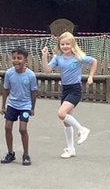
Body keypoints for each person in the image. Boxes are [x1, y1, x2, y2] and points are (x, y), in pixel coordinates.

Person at [40, 31, 97, 159]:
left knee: (61, 114)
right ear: (59, 45)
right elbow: (47, 71)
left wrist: (90, 77)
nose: (65, 46)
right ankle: (71, 149)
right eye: (62, 44)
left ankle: (82, 129)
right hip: (65, 89)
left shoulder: (78, 57)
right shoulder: (57, 58)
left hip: (75, 90)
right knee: (66, 121)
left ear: (72, 45)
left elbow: (94, 61)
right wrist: (44, 57)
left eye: (67, 44)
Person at [0, 47, 38, 165]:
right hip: (12, 104)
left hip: (25, 105)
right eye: (14, 58)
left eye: (19, 58)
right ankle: (10, 153)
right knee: (7, 127)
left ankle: (26, 154)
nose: (16, 61)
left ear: (25, 60)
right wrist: (3, 106)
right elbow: (6, 89)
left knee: (22, 129)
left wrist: (32, 107)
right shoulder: (9, 73)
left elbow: (33, 92)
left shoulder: (30, 75)